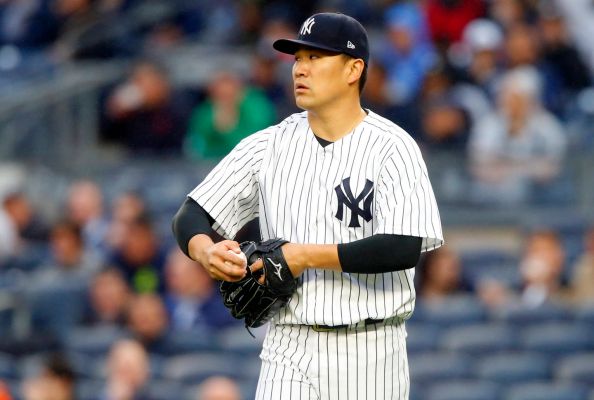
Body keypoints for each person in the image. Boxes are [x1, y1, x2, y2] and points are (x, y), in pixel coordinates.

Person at [172, 12, 443, 400]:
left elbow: (403, 246)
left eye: (316, 58)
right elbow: (191, 215)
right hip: (288, 344)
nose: (300, 68)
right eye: (298, 58)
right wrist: (206, 250)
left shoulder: (393, 147)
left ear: (354, 69)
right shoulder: (269, 145)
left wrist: (302, 256)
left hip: (371, 348)